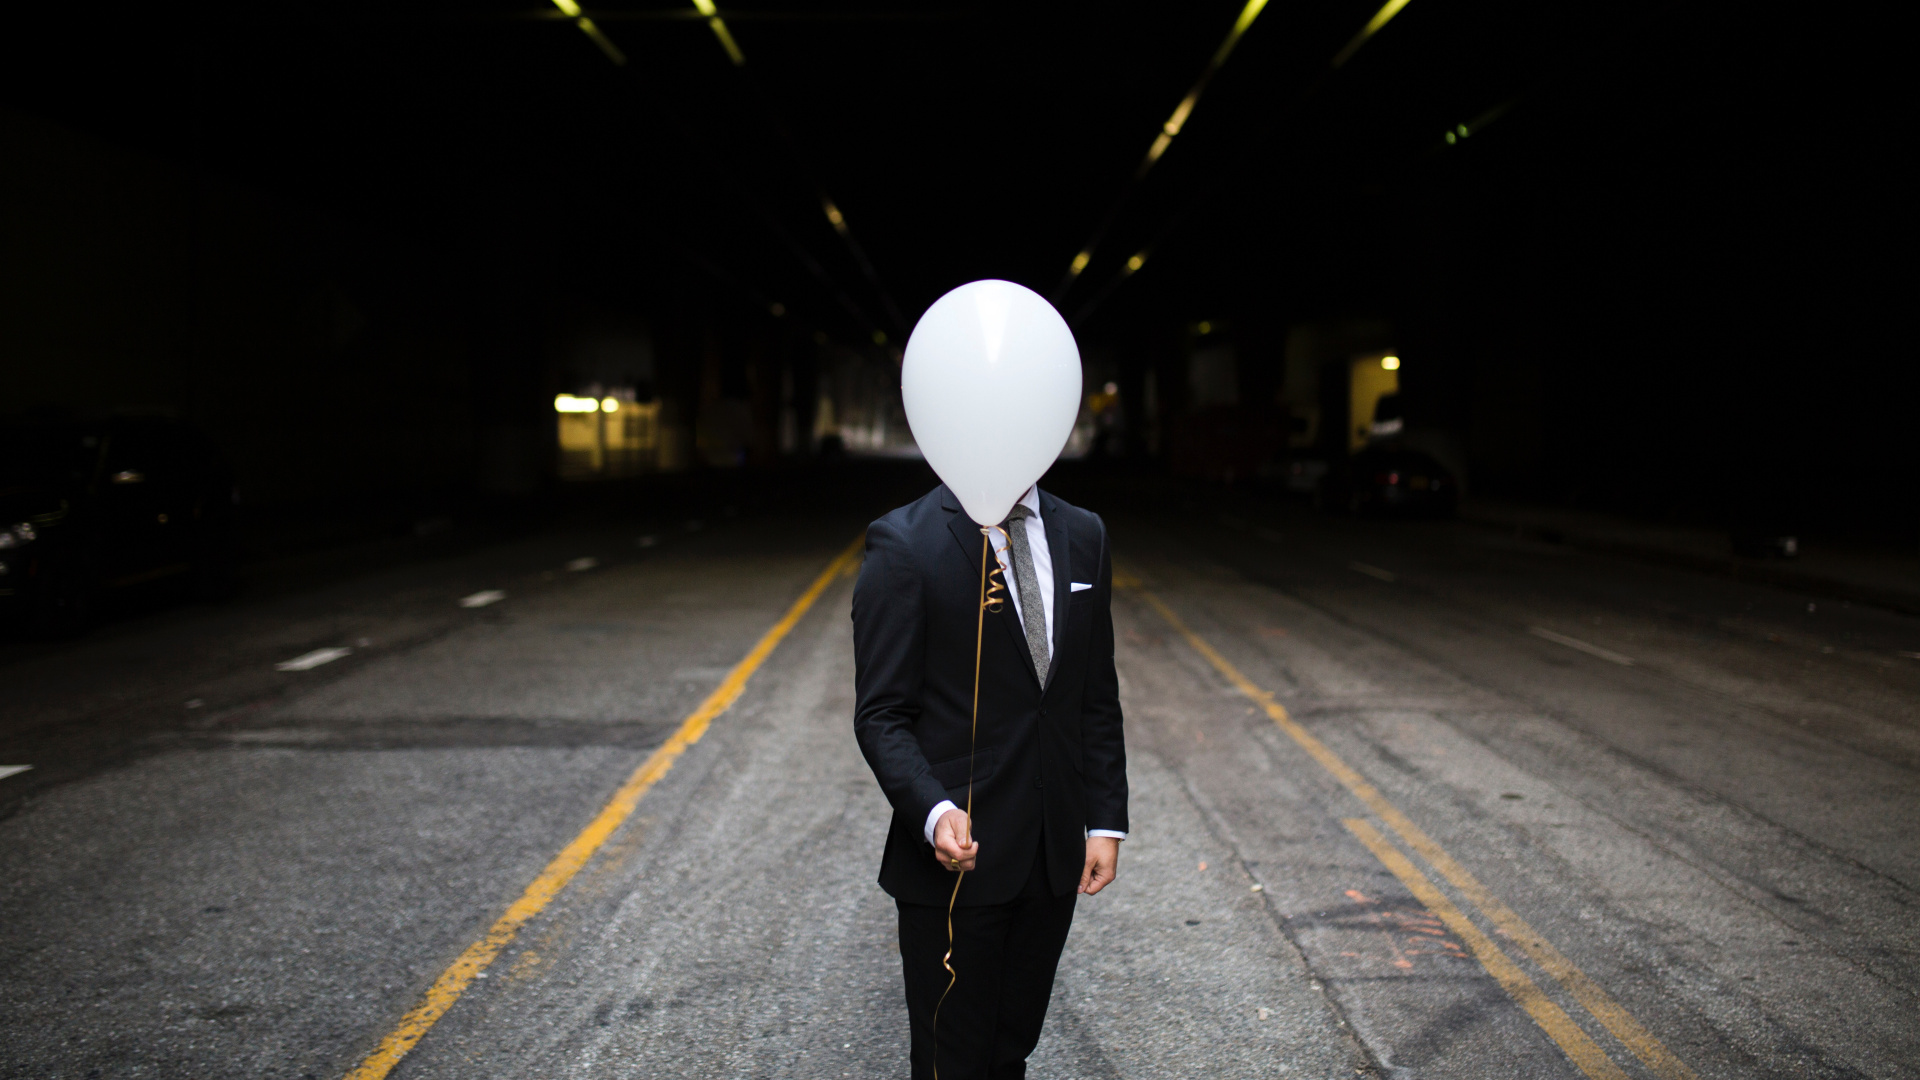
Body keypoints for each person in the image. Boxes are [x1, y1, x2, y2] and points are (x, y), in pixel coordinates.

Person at [852, 481, 1129, 1079]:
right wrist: (932, 811)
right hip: (955, 858)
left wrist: (1104, 821)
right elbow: (882, 715)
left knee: (1011, 1052)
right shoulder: (904, 541)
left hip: (1051, 855)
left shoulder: (1084, 532)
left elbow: (1094, 694)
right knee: (950, 1061)